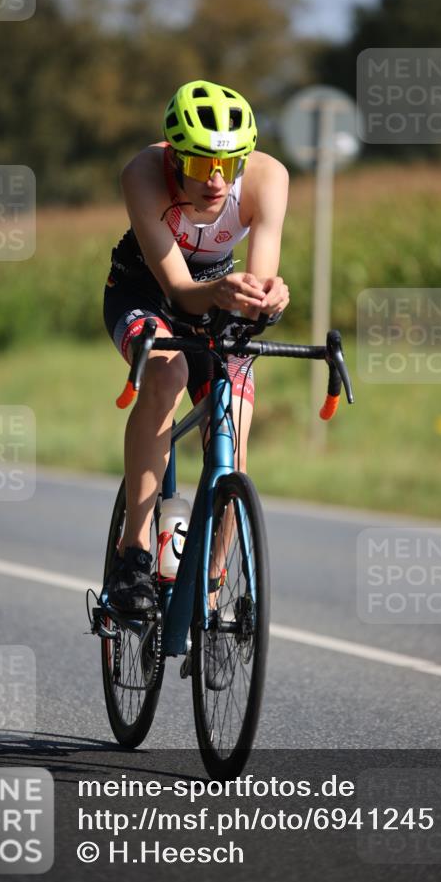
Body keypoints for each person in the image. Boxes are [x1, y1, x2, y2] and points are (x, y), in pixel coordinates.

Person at [102, 79, 290, 613]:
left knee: (233, 421)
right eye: (200, 164)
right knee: (166, 375)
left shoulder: (268, 178)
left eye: (228, 167)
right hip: (145, 291)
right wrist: (223, 294)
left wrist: (269, 296)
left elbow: (256, 287)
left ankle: (212, 578)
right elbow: (181, 292)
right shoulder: (142, 173)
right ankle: (134, 556)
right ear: (173, 156)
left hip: (218, 297)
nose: (214, 180)